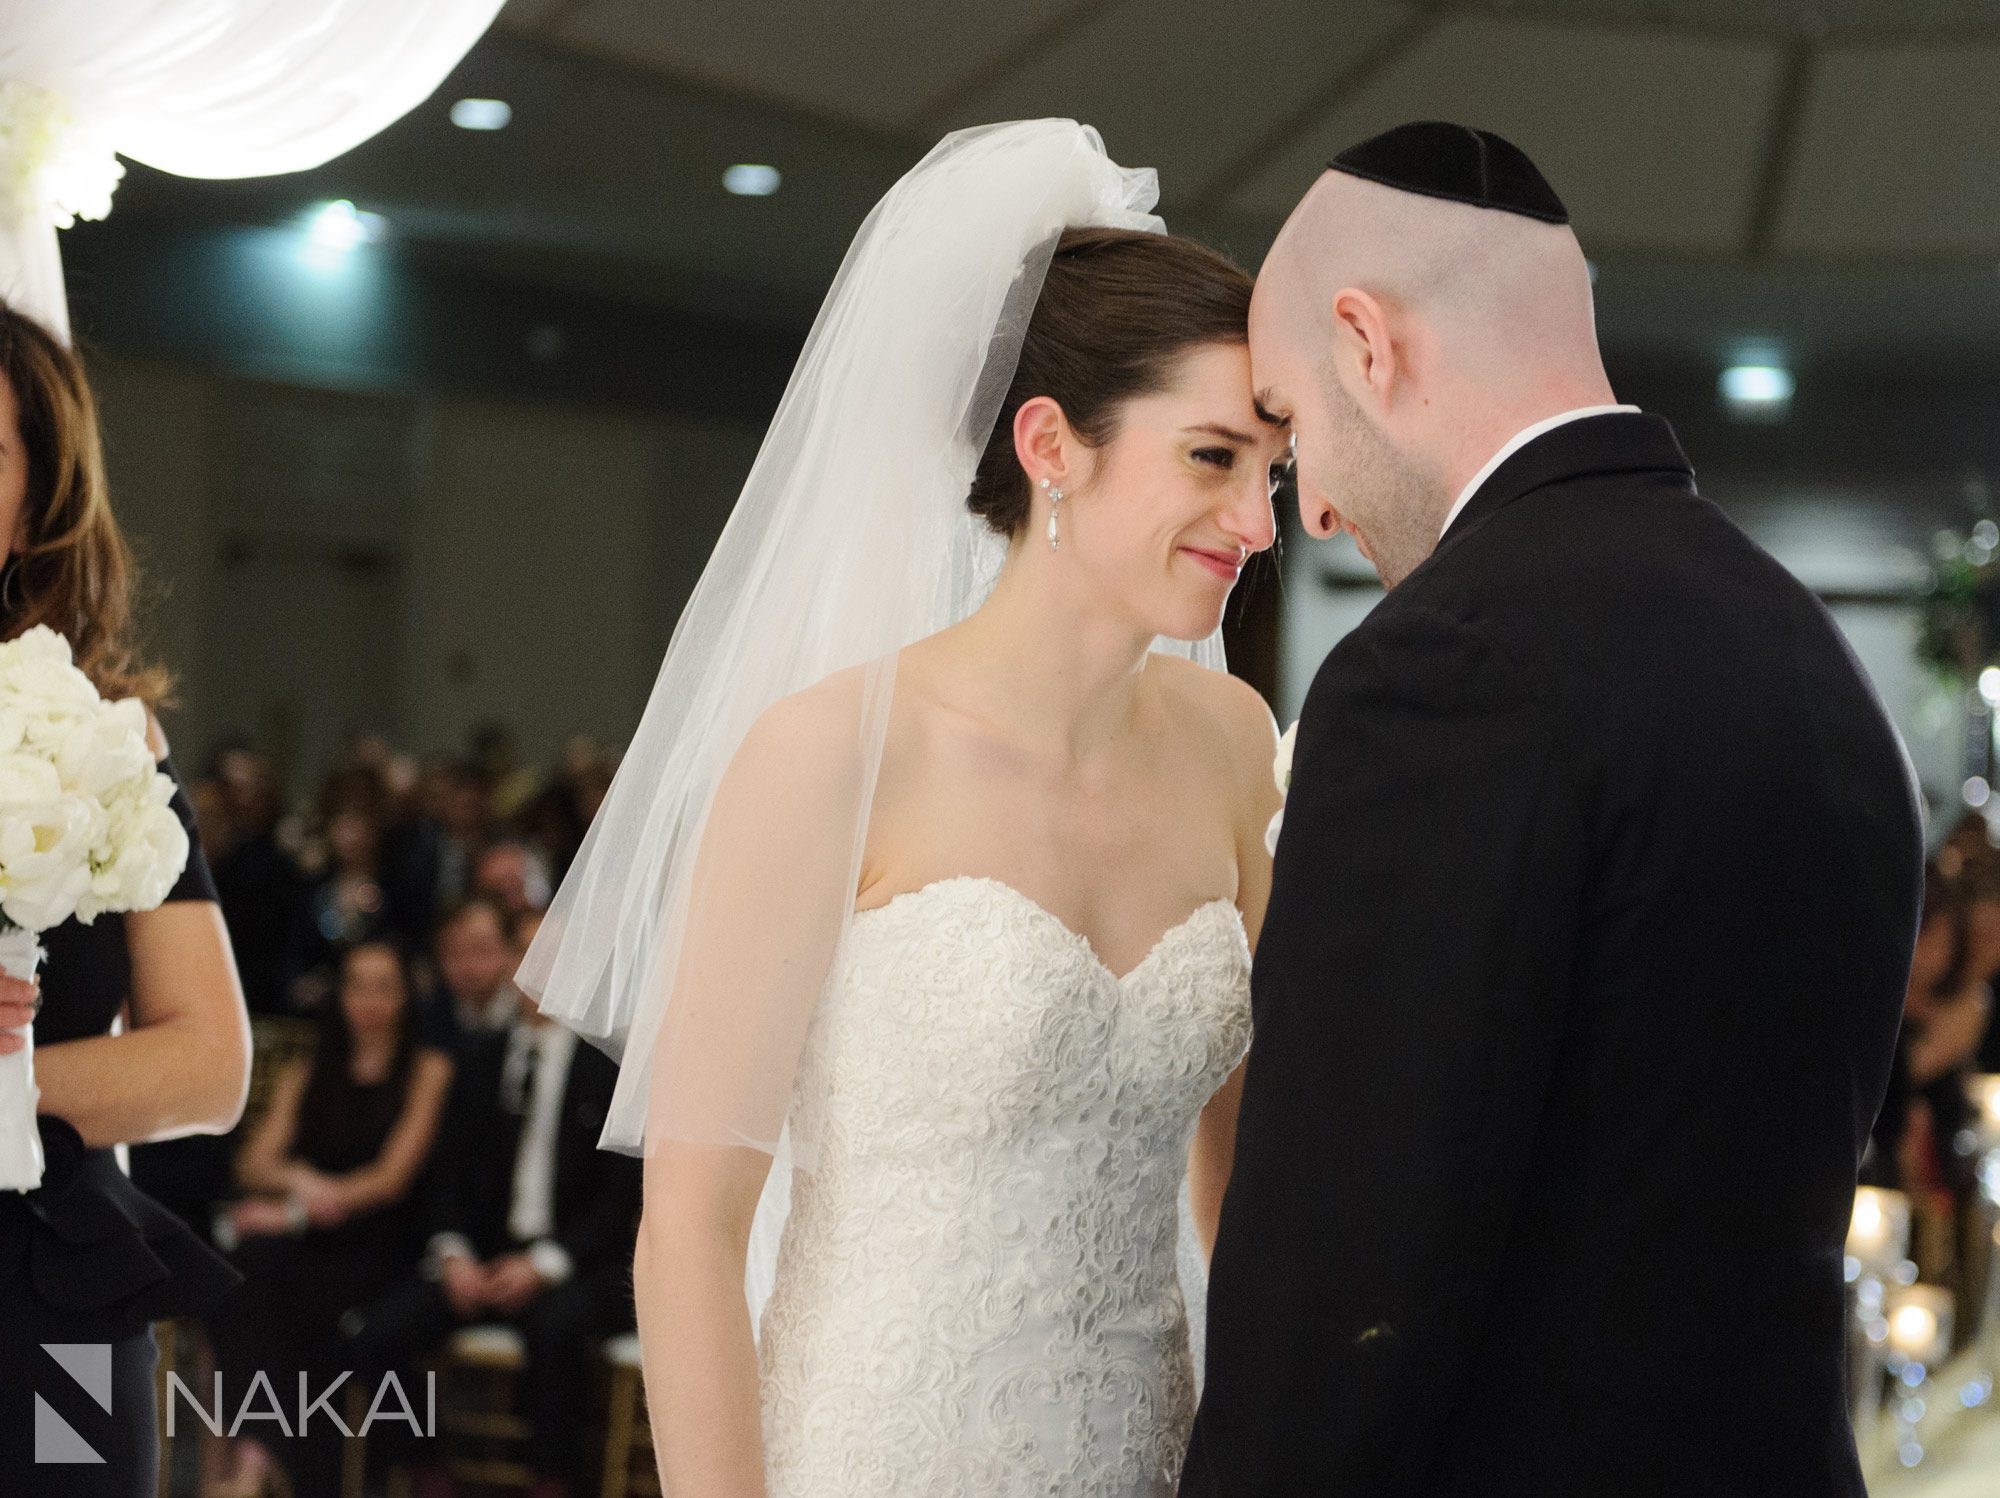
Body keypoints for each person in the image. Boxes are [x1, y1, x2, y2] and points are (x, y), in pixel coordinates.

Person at [516, 122, 1288, 1496]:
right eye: (1214, 458)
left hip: (1157, 1451)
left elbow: (1245, 1193)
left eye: (1271, 472)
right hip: (878, 1449)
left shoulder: (1236, 745)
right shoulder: (830, 753)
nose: (1259, 520)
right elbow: (690, 1224)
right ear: (1053, 444)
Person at [1183, 122, 1923, 1497]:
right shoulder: (1803, 649)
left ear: (1367, 340)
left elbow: (1340, 1278)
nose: (1319, 509)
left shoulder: (1442, 670)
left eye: (1286, 427)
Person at [0, 301, 252, 1495]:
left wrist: (6, 1087)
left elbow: (209, 1064)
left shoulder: (101, 736)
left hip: (56, 1284)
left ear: (36, 501)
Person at [343, 929, 639, 1498]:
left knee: (556, 1328)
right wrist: (455, 1254)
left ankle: (551, 1482)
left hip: (574, 1262)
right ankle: (426, 1471)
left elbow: (619, 1199)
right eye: (526, 952)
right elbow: (446, 1177)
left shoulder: (607, 1067)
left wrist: (546, 1264)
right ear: (508, 963)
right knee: (377, 1333)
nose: (540, 968)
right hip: (484, 1258)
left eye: (555, 952)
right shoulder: (481, 1057)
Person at [204, 938, 453, 1498]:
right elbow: (254, 1162)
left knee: (268, 1289)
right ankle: (261, 1458)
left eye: (384, 987)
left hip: (382, 1241)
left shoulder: (427, 1069)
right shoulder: (309, 1069)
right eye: (357, 986)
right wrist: (301, 1183)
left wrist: (299, 1209)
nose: (369, 1000)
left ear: (406, 996)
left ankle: (258, 1463)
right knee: (237, 1273)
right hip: (312, 1235)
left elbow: (392, 1178)